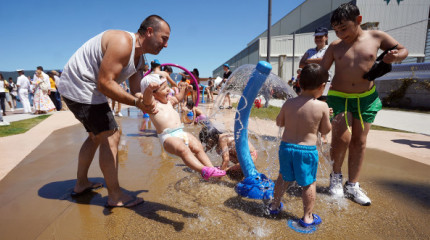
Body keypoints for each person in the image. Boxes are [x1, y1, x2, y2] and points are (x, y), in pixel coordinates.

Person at [56, 15, 170, 208]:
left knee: (96, 136)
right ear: (149, 32)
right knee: (111, 134)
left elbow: (136, 90)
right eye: (164, 38)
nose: (165, 45)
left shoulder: (140, 57)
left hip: (86, 87)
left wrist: (146, 99)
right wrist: (136, 102)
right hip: (80, 86)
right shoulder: (123, 42)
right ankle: (115, 195)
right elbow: (105, 83)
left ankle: (81, 183)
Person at [320, 3, 408, 206]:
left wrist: (396, 56)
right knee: (341, 138)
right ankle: (336, 178)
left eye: (344, 29)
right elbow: (323, 71)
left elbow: (403, 50)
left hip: (366, 97)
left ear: (358, 20)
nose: (340, 34)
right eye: (336, 30)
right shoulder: (335, 46)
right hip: (339, 96)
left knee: (359, 141)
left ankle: (353, 185)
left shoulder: (377, 37)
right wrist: (309, 90)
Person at [266, 63, 331, 228]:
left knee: (283, 177)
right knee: (308, 183)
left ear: (299, 84)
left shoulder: (289, 103)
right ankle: (308, 217)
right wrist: (327, 116)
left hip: (286, 148)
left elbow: (279, 122)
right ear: (322, 87)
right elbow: (325, 130)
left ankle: (274, 205)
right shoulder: (322, 106)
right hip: (306, 151)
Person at [140, 73, 226, 180]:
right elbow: (146, 99)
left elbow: (179, 98)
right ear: (154, 94)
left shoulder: (169, 102)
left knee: (198, 146)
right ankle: (203, 170)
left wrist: (185, 90)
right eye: (163, 88)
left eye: (167, 87)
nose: (168, 90)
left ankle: (211, 168)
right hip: (168, 137)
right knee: (183, 149)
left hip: (180, 132)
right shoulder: (153, 105)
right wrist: (149, 89)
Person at [299, 26, 331, 101]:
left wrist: (308, 60)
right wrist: (317, 61)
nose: (318, 39)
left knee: (323, 102)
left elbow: (325, 60)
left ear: (326, 37)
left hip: (324, 81)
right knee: (308, 101)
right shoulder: (310, 50)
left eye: (320, 37)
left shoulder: (329, 48)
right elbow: (301, 64)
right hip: (309, 81)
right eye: (316, 37)